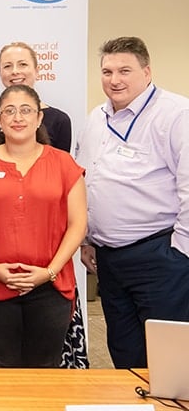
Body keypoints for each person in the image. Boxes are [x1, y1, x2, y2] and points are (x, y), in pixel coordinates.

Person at [76, 36, 189, 369]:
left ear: (147, 71)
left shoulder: (176, 114)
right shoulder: (96, 117)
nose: (114, 79)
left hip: (159, 257)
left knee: (168, 360)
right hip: (108, 260)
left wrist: (179, 251)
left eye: (124, 70)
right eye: (107, 71)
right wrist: (87, 240)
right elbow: (86, 180)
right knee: (124, 352)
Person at [0, 84, 87, 368]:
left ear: (39, 118)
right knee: (1, 370)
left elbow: (78, 224)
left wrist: (49, 272)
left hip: (50, 287)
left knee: (45, 370)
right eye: (9, 111)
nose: (18, 117)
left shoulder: (63, 163)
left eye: (26, 110)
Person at [0, 42, 72, 151]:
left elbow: (62, 165)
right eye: (7, 66)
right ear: (0, 73)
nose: (15, 71)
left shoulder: (60, 120)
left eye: (23, 64)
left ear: (36, 71)